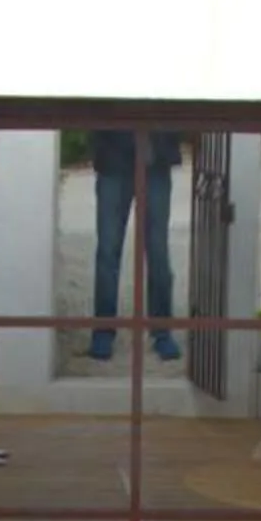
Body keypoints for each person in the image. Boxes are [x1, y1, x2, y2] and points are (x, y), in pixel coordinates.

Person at [87, 129, 183, 362]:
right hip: (113, 159)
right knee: (108, 250)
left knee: (158, 249)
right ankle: (103, 329)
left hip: (155, 159)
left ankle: (161, 329)